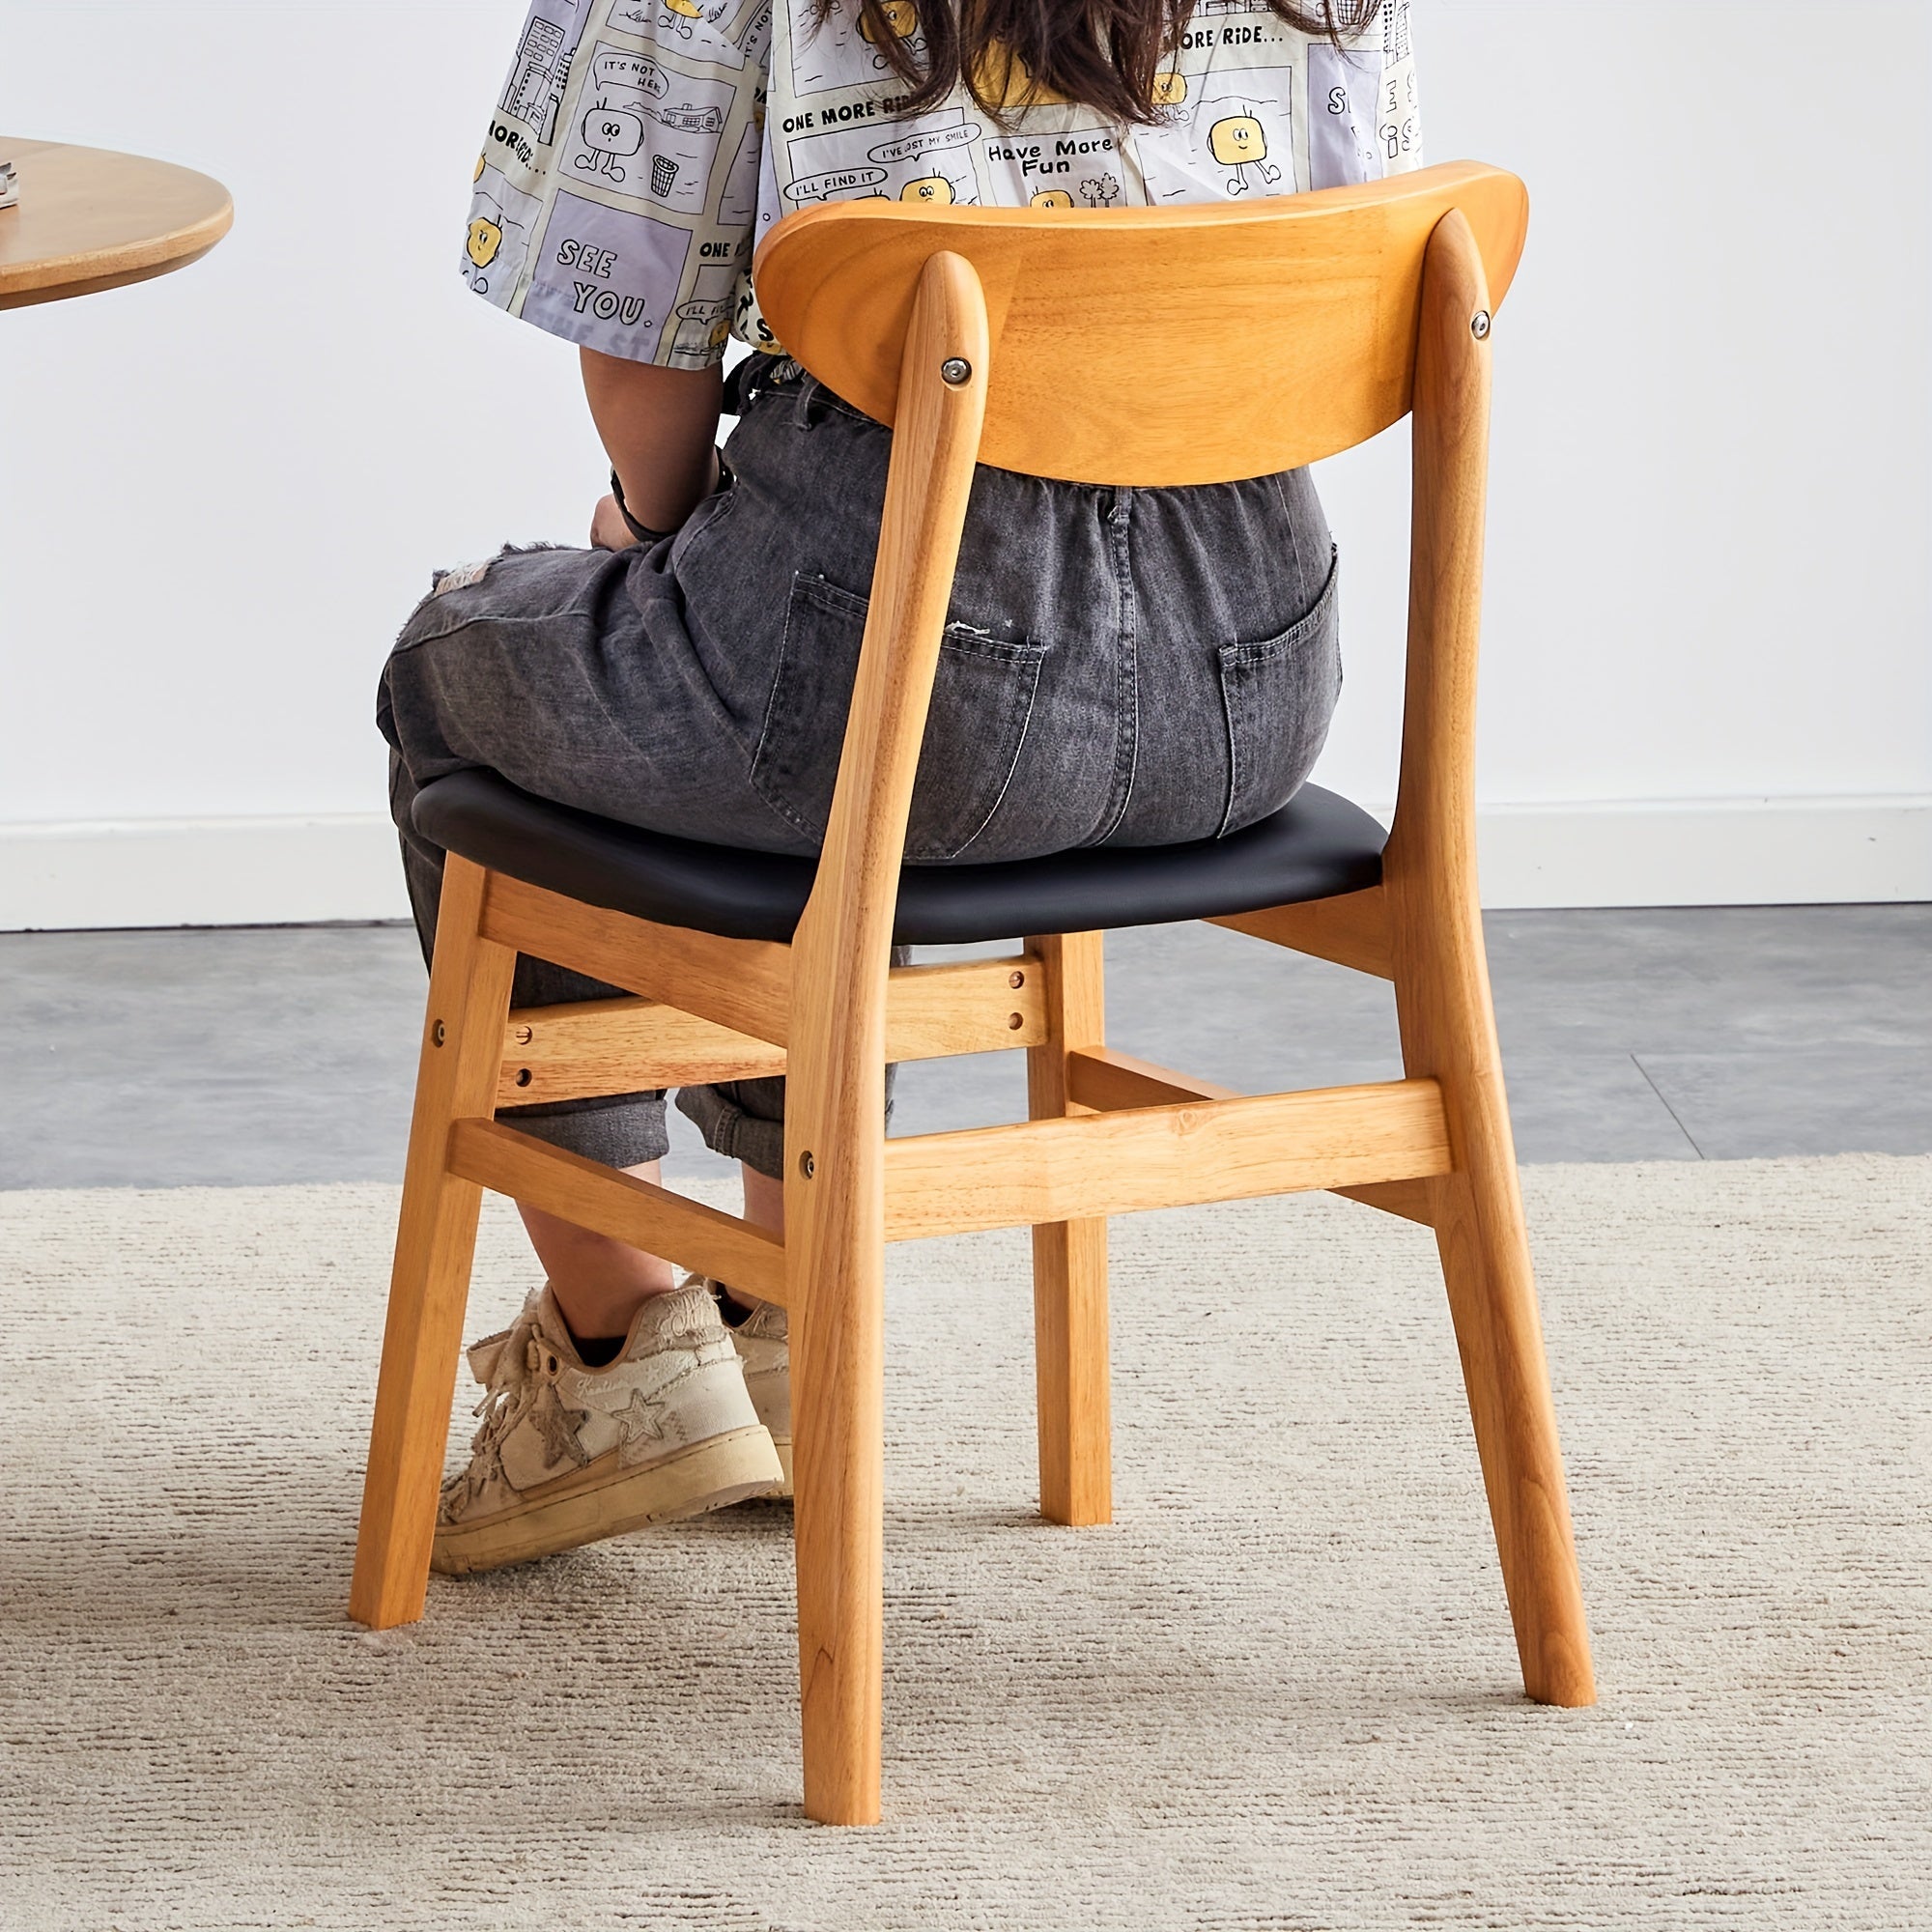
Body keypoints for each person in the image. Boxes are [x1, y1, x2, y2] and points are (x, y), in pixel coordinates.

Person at [379, 0, 1421, 1577]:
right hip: (1254, 690)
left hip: (900, 683)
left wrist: (651, 540)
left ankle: (621, 1351)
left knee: (469, 669)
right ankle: (778, 1330)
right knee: (764, 739)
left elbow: (639, 349)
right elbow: (1354, 261)